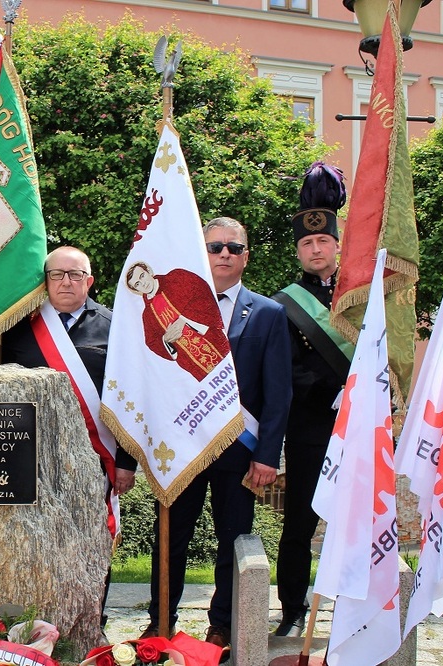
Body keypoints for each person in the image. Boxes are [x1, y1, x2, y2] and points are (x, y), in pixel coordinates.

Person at [143, 217, 292, 658]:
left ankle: (223, 625)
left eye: (233, 247)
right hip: (182, 446)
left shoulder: (268, 313)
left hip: (239, 451)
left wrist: (268, 455)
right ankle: (161, 618)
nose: (224, 253)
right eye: (214, 247)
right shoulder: (172, 306)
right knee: (170, 537)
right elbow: (155, 372)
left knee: (234, 539)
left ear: (246, 256)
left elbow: (278, 393)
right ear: (200, 253)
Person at [1, 246, 137, 623]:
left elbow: (130, 399)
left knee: (92, 542)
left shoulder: (115, 327)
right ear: (45, 281)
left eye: (75, 275)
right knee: (36, 543)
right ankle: (39, 621)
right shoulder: (17, 328)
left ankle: (92, 619)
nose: (66, 282)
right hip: (31, 459)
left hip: (95, 459)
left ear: (89, 281)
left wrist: (126, 462)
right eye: (57, 274)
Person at [270, 162, 350, 637]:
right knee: (300, 520)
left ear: (338, 245)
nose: (315, 249)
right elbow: (284, 372)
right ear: (299, 250)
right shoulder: (285, 303)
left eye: (323, 242)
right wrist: (329, 390)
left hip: (359, 423)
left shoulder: (363, 294)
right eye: (307, 243)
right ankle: (293, 608)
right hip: (310, 425)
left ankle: (359, 607)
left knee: (359, 519)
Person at [124, 262, 229, 381]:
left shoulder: (176, 278)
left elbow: (202, 290)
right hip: (193, 362)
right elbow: (152, 342)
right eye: (137, 284)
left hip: (213, 340)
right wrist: (166, 340)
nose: (143, 283)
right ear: (136, 290)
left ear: (148, 271)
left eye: (142, 276)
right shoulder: (148, 316)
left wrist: (184, 320)